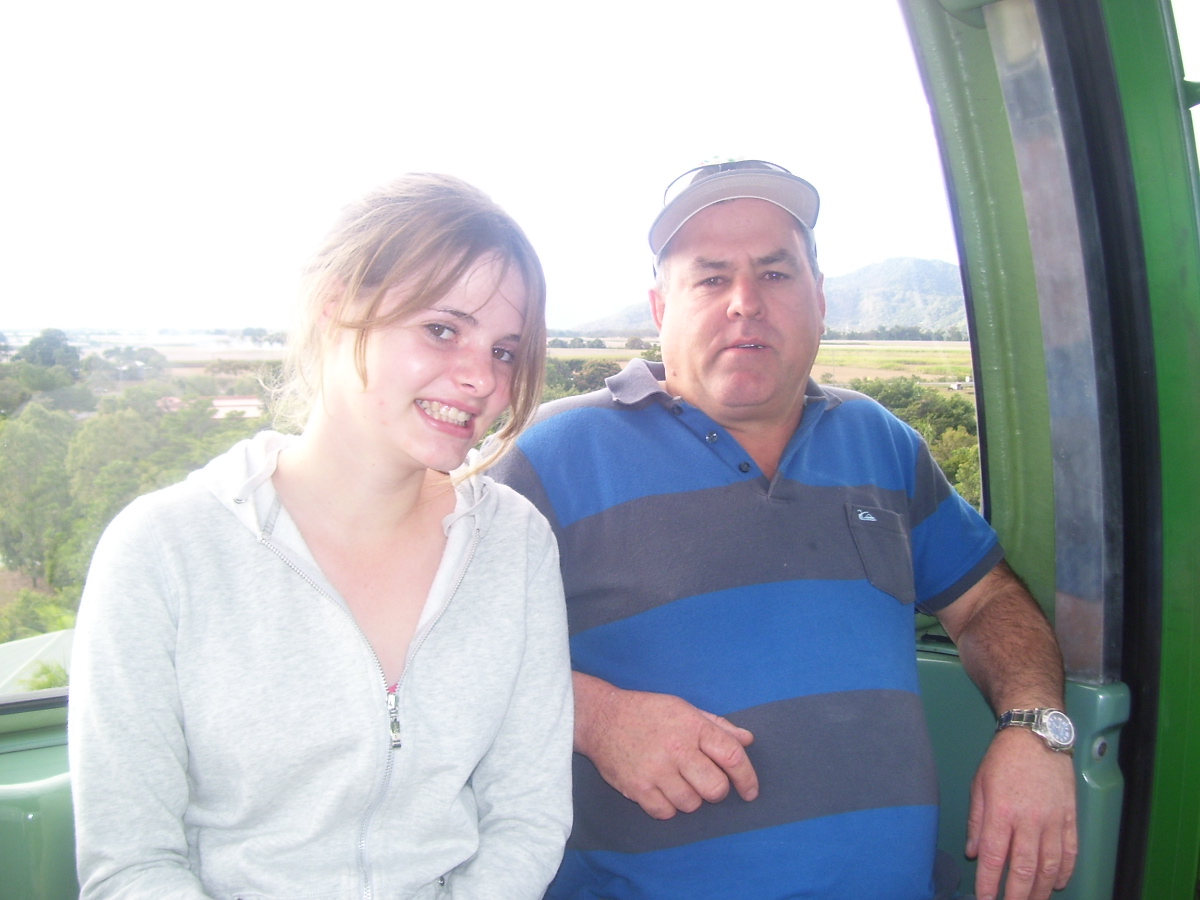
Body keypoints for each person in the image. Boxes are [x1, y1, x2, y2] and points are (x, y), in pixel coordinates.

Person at [488, 160, 1076, 900]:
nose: (746, 302)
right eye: (710, 278)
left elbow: (987, 598)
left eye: (775, 273)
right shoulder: (553, 456)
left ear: (819, 299)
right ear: (660, 307)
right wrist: (595, 718)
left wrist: (1034, 728)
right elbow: (429, 647)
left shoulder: (881, 442)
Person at [68, 173, 574, 899]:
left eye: (504, 350)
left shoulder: (514, 544)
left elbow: (526, 817)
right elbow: (131, 864)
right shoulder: (164, 551)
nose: (482, 380)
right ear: (338, 309)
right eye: (442, 329)